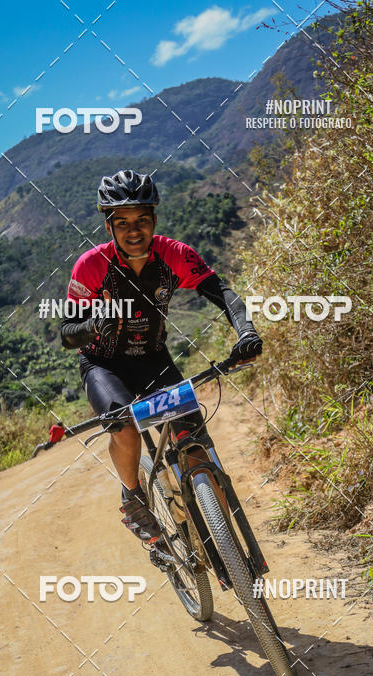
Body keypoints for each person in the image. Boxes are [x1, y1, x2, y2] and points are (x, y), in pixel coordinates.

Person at [61, 169, 262, 542]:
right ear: (109, 227)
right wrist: (92, 327)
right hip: (104, 366)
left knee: (193, 440)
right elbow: (66, 335)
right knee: (122, 425)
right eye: (122, 223)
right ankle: (133, 496)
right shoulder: (90, 266)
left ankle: (223, 536)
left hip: (153, 359)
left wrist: (246, 331)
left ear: (154, 219)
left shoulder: (176, 255)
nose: (133, 231)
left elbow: (224, 295)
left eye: (141, 220)